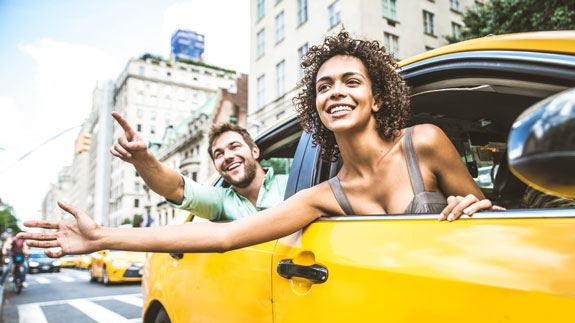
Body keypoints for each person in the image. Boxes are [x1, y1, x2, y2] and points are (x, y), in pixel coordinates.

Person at [19, 31, 503, 257]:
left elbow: (490, 222)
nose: (336, 92)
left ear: (377, 98)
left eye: (351, 82)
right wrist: (102, 237)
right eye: (323, 86)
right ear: (315, 106)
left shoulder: (425, 143)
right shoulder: (320, 195)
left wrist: (475, 209)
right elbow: (221, 235)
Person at [110, 113, 288, 221]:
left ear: (254, 151)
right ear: (217, 167)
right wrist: (144, 161)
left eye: (234, 146)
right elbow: (177, 188)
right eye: (219, 154)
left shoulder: (291, 182)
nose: (227, 156)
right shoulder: (220, 202)